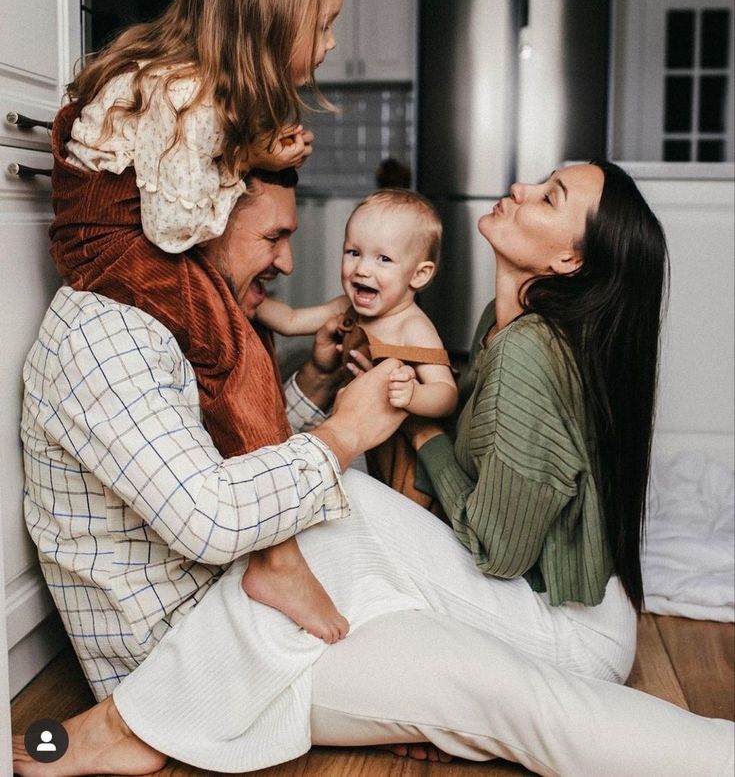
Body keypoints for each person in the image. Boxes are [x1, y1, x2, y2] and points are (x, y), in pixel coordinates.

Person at [14, 162, 733, 777]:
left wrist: (410, 433)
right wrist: (337, 408)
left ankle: (129, 724)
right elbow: (230, 491)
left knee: (341, 502)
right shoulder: (499, 324)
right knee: (496, 696)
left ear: (571, 261)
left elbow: (498, 545)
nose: (518, 185)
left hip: (553, 616)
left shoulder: (526, 353)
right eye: (275, 236)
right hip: (486, 602)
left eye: (547, 195)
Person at [46, 0, 352, 643]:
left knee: (232, 340)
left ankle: (272, 533)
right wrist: (244, 162)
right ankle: (274, 558)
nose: (331, 42)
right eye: (324, 23)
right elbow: (175, 226)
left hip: (108, 232)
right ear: (270, 22)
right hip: (117, 244)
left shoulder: (180, 79)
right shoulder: (194, 95)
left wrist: (250, 154)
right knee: (238, 358)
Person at [244, 190, 458, 641]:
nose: (362, 268)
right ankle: (344, 578)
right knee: (347, 508)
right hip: (358, 437)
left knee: (405, 520)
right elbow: (289, 319)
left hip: (403, 451)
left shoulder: (412, 326)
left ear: (419, 275)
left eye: (383, 259)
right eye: (353, 252)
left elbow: (446, 394)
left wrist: (413, 394)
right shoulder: (345, 309)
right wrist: (237, 293)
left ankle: (413, 606)